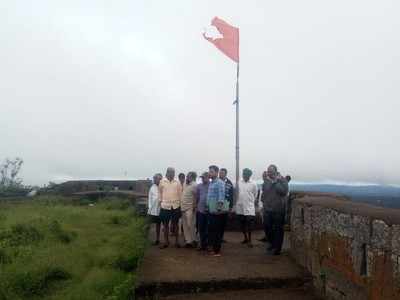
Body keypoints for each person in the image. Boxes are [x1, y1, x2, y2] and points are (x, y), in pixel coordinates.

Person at [261, 164, 289, 255]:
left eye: (271, 171)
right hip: (267, 209)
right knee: (267, 227)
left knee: (278, 229)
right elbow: (264, 193)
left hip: (278, 209)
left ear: (276, 171)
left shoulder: (282, 180)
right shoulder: (266, 181)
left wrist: (276, 182)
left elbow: (283, 192)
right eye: (268, 171)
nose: (269, 173)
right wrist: (263, 204)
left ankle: (277, 248)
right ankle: (272, 243)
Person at [207, 165, 229, 257]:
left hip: (217, 212)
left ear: (216, 172)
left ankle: (217, 251)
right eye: (209, 171)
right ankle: (214, 248)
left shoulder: (220, 182)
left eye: (211, 171)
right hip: (211, 210)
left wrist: (219, 208)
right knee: (212, 230)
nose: (209, 173)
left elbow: (221, 196)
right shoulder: (211, 183)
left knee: (217, 231)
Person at [159, 167, 182, 249]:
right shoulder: (162, 182)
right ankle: (166, 241)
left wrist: (180, 206)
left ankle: (177, 241)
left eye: (174, 172)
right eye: (171, 172)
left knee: (176, 225)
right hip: (165, 206)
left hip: (175, 206)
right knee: (165, 225)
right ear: (167, 173)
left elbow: (180, 194)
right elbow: (160, 194)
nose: (173, 174)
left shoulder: (177, 182)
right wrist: (160, 202)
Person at [235, 168, 258, 247]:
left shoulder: (253, 184)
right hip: (240, 205)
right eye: (243, 173)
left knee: (249, 223)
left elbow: (255, 194)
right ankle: (245, 238)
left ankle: (250, 240)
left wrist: (251, 201)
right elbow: (237, 193)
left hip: (249, 206)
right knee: (242, 223)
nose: (244, 175)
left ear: (249, 175)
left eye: (246, 174)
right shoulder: (239, 183)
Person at [180, 171, 198, 248]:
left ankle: (194, 240)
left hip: (190, 208)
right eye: (187, 176)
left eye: (188, 176)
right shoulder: (185, 184)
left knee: (191, 225)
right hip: (183, 208)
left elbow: (196, 196)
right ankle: (188, 242)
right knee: (185, 226)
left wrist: (194, 206)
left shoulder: (195, 185)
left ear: (193, 177)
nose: (187, 177)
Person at [219, 168, 234, 243]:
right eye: (219, 173)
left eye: (222, 173)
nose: (220, 174)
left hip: (225, 204)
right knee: (216, 222)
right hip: (216, 204)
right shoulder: (216, 181)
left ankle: (220, 237)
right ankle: (217, 237)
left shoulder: (229, 183)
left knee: (223, 222)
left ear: (225, 174)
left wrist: (231, 207)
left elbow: (231, 196)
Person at [147, 173, 163, 245]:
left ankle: (157, 239)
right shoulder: (152, 187)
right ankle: (146, 238)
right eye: (156, 179)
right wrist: (150, 208)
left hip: (161, 209)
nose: (157, 180)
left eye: (159, 179)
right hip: (152, 210)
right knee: (149, 224)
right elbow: (150, 198)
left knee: (159, 225)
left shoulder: (162, 186)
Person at [196, 172, 210, 251]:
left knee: (208, 228)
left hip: (209, 210)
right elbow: (197, 197)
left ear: (208, 177)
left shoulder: (211, 185)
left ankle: (207, 245)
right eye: (202, 177)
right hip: (200, 210)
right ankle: (202, 244)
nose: (203, 179)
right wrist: (196, 207)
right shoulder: (199, 186)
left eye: (204, 177)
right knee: (200, 228)